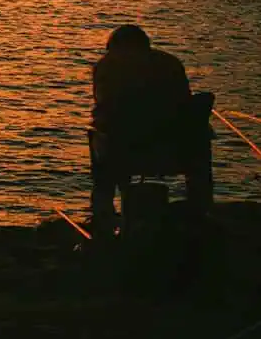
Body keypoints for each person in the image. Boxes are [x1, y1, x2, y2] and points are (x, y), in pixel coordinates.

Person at [89, 24, 210, 233]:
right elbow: (185, 100)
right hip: (176, 150)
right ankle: (201, 206)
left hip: (125, 150)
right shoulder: (170, 63)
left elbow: (103, 103)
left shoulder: (107, 66)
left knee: (97, 135)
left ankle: (103, 210)